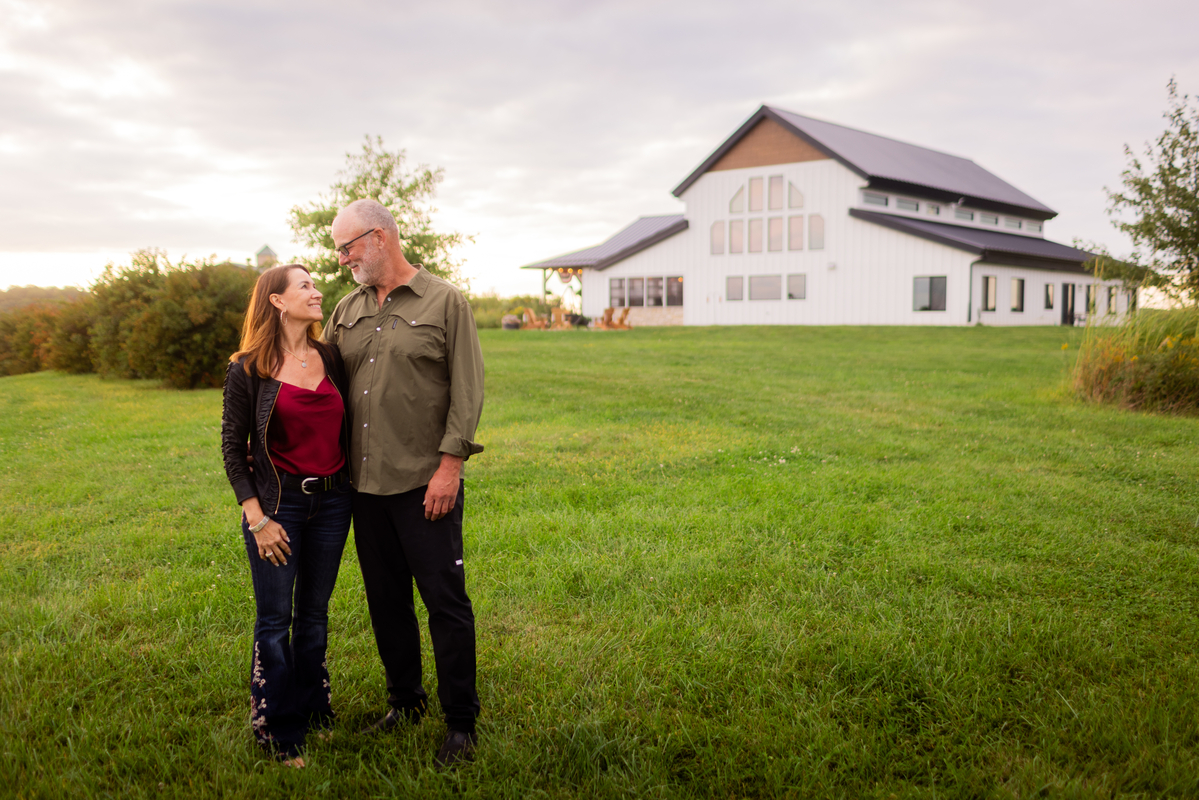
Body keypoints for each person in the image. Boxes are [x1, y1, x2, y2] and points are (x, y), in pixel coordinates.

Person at [322, 198, 485, 768]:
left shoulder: (446, 302)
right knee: (385, 600)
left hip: (425, 482)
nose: (342, 259)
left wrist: (450, 466)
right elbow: (321, 387)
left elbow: (467, 392)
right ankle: (405, 701)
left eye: (347, 247)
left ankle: (460, 723)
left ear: (381, 238)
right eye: (339, 250)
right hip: (362, 486)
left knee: (444, 601)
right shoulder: (345, 310)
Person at [220, 264, 353, 767]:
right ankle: (276, 729)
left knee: (314, 616)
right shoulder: (248, 368)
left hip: (334, 502)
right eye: (305, 286)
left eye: (315, 284)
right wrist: (258, 519)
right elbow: (234, 449)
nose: (317, 292)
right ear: (277, 301)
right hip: (279, 507)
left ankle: (313, 709)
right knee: (274, 620)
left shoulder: (330, 358)